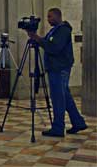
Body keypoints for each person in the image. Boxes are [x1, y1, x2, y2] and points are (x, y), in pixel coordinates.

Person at [27, 8, 87, 137]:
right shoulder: (54, 30)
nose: (48, 19)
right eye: (47, 17)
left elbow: (54, 48)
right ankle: (78, 122)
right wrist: (37, 39)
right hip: (56, 68)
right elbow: (49, 43)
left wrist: (37, 38)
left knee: (58, 98)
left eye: (50, 17)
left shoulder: (63, 30)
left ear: (58, 16)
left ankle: (58, 127)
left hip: (59, 69)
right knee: (65, 96)